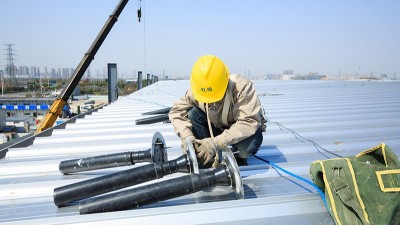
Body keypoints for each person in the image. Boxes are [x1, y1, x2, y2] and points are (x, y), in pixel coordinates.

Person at [169, 55, 266, 167]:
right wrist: (187, 137)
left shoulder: (242, 87)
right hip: (215, 127)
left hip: (239, 130)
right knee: (192, 114)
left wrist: (216, 143)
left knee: (247, 147)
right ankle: (205, 155)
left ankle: (236, 159)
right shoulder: (197, 90)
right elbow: (176, 111)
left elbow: (249, 122)